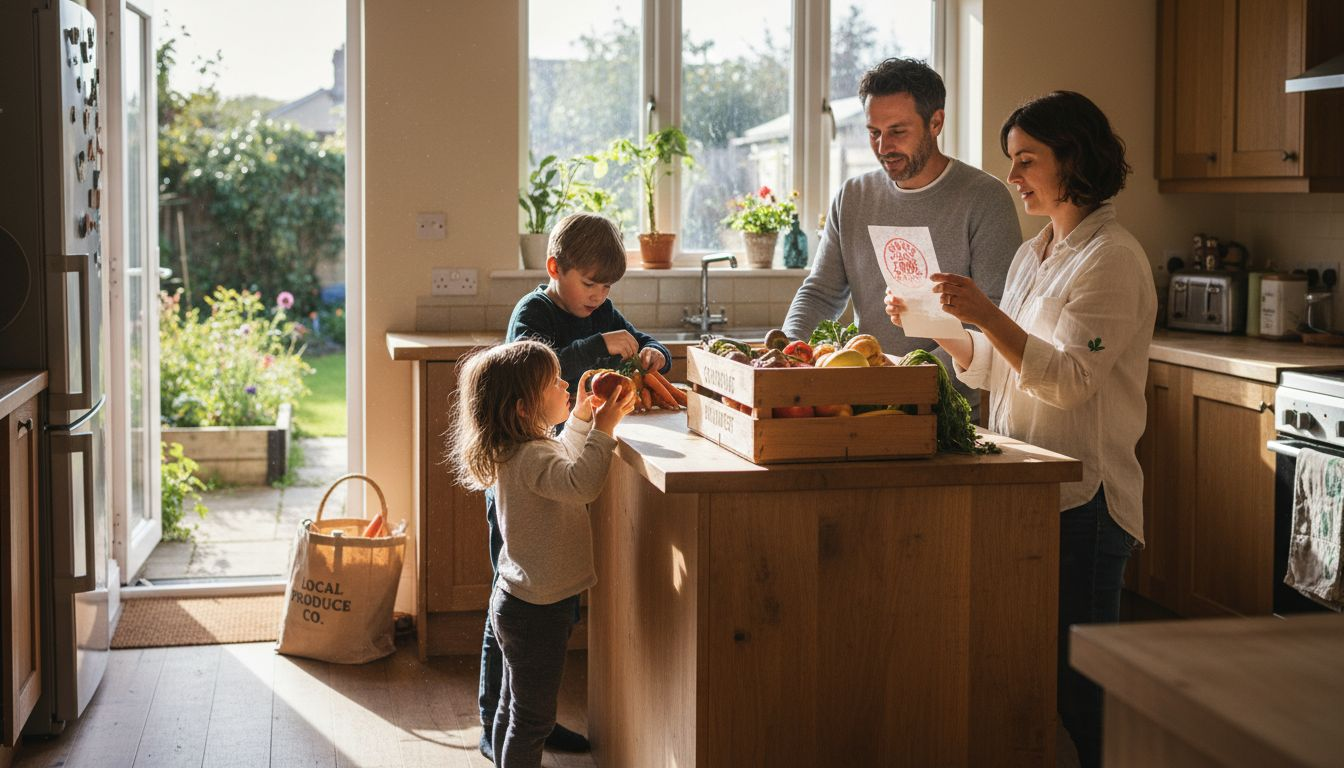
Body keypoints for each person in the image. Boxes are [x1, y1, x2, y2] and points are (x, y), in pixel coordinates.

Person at [883, 91, 1154, 767]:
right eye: (1012, 161)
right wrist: (940, 325)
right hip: (1032, 489)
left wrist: (985, 311)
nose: (1014, 178)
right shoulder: (1037, 254)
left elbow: (1065, 380)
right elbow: (997, 371)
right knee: (1042, 677)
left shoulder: (1112, 259)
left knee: (1083, 689)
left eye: (1027, 161)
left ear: (1074, 159)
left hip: (1087, 501)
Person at [477, 212, 672, 761]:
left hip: (551, 459)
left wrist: (653, 351)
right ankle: (497, 726)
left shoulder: (599, 308)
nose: (600, 295)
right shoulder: (532, 312)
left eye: (608, 287)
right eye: (590, 284)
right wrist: (598, 346)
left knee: (542, 624)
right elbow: (538, 371)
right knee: (511, 604)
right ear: (555, 268)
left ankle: (535, 719)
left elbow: (635, 341)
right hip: (520, 484)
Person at [783, 57, 1020, 418]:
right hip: (858, 404)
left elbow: (993, 313)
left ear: (936, 122)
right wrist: (786, 356)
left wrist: (906, 382)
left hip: (944, 411)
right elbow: (821, 293)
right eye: (874, 132)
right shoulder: (852, 196)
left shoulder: (984, 198)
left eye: (897, 131)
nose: (882, 147)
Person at [451, 340, 637, 768]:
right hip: (538, 611)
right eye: (554, 382)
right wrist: (605, 429)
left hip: (518, 599)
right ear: (522, 407)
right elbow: (580, 483)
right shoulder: (532, 456)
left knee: (511, 706)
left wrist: (581, 417)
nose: (565, 383)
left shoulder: (523, 448)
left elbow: (564, 460)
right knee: (532, 721)